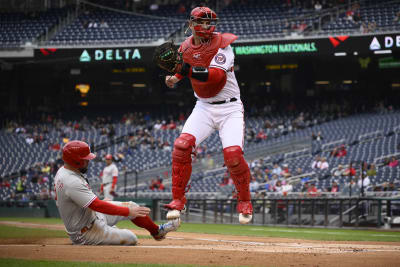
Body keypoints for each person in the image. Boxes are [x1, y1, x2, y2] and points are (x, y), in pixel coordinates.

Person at [163, 6, 253, 224]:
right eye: (201, 22)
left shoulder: (224, 44)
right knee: (182, 146)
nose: (205, 26)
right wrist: (175, 77)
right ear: (191, 24)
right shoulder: (184, 47)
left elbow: (214, 77)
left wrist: (185, 71)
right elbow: (185, 66)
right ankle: (177, 200)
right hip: (203, 106)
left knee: (232, 155)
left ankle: (244, 201)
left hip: (229, 109)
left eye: (209, 22)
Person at [54, 140, 180, 245]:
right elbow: (96, 205)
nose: (88, 161)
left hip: (92, 217)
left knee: (132, 206)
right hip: (85, 232)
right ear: (76, 160)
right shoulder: (71, 181)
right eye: (85, 159)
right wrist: (127, 212)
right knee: (131, 238)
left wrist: (129, 210)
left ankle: (157, 231)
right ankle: (109, 231)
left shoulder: (65, 171)